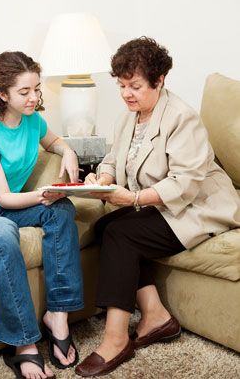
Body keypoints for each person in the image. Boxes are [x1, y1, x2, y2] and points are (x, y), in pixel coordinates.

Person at [75, 37, 240, 377]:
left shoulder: (182, 117)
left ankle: (116, 338)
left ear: (159, 80)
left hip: (199, 205)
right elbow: (112, 157)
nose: (126, 94)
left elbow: (185, 183)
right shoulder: (128, 117)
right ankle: (155, 317)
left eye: (134, 86)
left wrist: (133, 199)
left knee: (121, 234)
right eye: (122, 86)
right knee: (107, 226)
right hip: (159, 205)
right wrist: (102, 179)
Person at [0, 51, 83, 379]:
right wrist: (43, 193)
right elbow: (3, 198)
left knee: (61, 210)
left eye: (36, 89)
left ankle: (58, 316)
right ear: (2, 94)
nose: (34, 97)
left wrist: (69, 152)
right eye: (25, 92)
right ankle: (23, 344)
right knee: (1, 231)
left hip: (7, 209)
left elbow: (55, 142)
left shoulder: (33, 121)